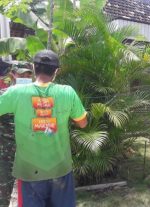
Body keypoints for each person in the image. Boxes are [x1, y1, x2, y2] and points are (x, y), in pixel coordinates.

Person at [0, 49, 88, 207]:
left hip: (29, 173)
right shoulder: (68, 92)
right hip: (60, 171)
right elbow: (83, 123)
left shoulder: (15, 92)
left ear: (33, 68)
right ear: (57, 71)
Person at [0, 61, 34, 206]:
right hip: (6, 156)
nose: (25, 76)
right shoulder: (3, 96)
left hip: (30, 156)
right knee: (3, 194)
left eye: (28, 74)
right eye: (21, 74)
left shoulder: (38, 97)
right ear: (13, 75)